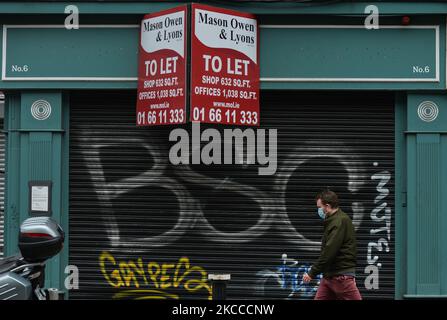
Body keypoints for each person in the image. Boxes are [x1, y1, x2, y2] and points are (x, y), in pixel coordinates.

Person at [302, 189, 362, 300]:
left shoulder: (339, 222)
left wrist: (312, 272)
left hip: (340, 277)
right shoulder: (333, 220)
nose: (319, 210)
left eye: (319, 207)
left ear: (327, 206)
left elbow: (329, 251)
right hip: (329, 276)